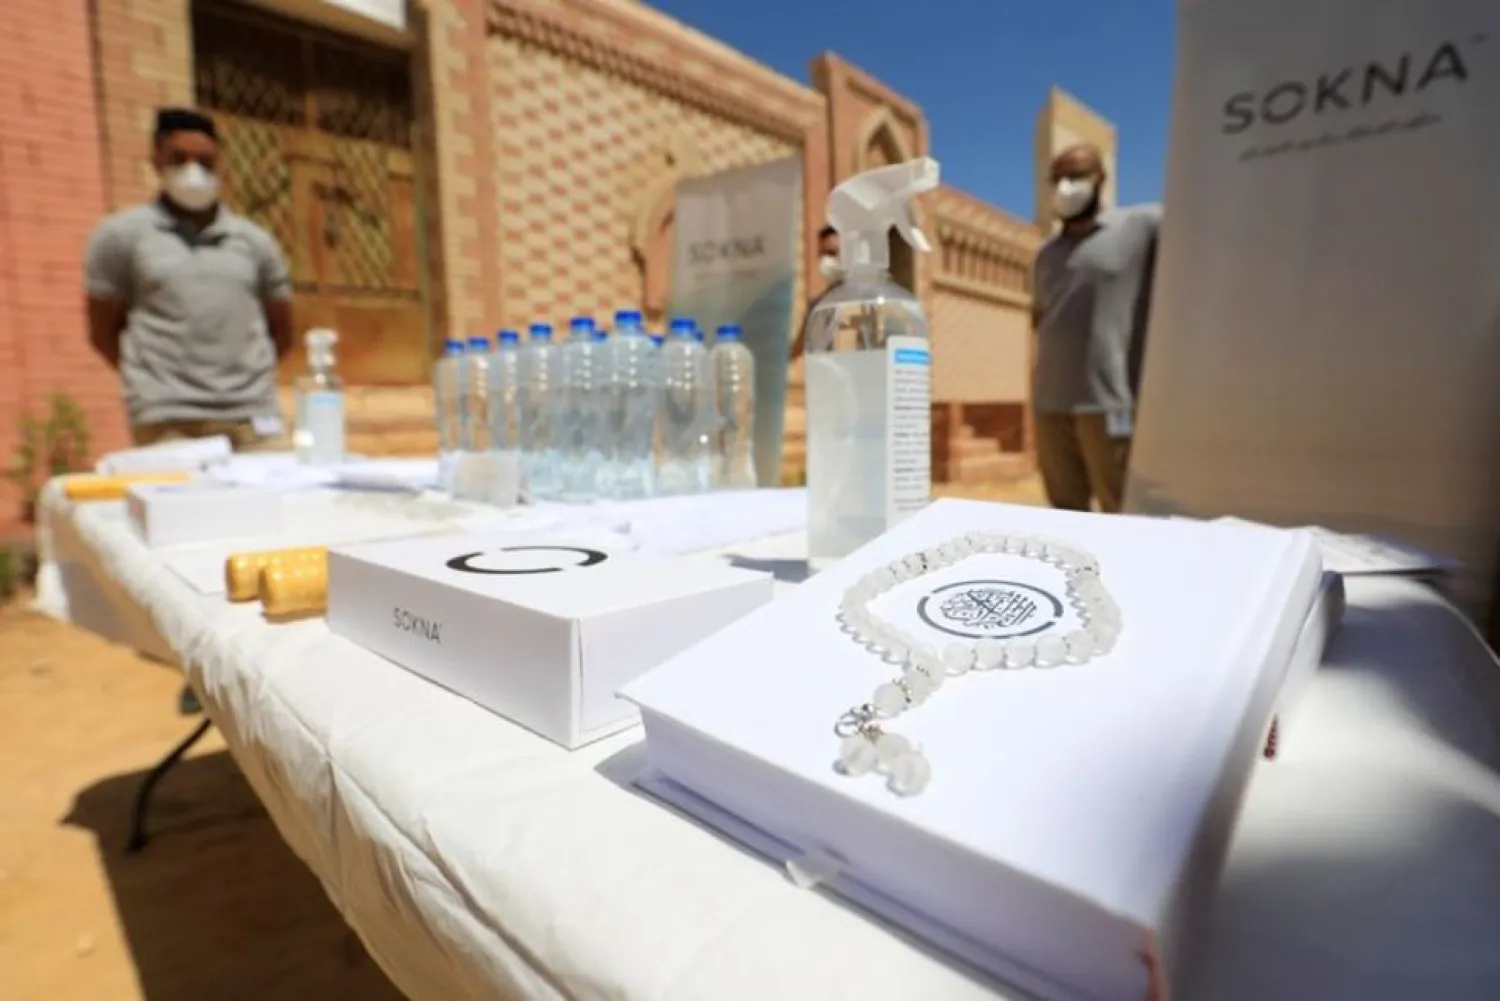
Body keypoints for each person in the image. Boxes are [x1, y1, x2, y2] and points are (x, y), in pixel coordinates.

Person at [84, 107, 294, 453]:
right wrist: (154, 382)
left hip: (254, 417)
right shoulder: (121, 236)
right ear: (156, 159)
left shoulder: (255, 241)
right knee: (181, 507)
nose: (193, 171)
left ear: (220, 164)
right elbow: (103, 331)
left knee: (283, 500)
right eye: (179, 159)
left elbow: (282, 331)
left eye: (205, 161)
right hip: (168, 421)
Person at [1030, 143, 1161, 513]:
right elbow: (1039, 320)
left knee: (1122, 509)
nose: (1065, 186)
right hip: (1050, 404)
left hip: (1109, 401)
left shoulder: (1140, 226)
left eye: (1076, 175)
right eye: (1057, 178)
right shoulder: (1047, 254)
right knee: (1065, 512)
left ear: (1099, 178)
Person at [790, 224, 843, 359]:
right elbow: (797, 348)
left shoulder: (862, 302)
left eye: (832, 253)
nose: (826, 261)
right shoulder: (817, 305)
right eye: (822, 254)